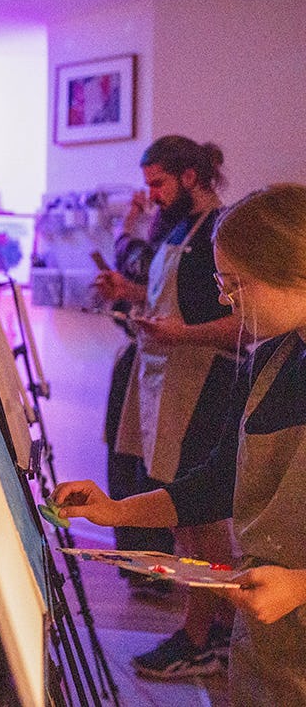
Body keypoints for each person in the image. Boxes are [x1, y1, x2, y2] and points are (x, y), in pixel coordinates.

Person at [54, 183, 306, 705]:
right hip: (269, 638)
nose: (224, 299)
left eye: (235, 284)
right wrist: (117, 511)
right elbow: (218, 483)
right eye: (221, 282)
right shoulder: (270, 361)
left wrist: (301, 586)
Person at [91, 135, 242, 678]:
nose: (151, 195)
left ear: (190, 177)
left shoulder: (222, 232)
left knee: (198, 512)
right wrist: (130, 294)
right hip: (165, 380)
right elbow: (176, 301)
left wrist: (182, 333)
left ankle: (201, 635)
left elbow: (245, 326)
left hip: (203, 384)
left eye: (158, 183)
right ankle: (214, 627)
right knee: (185, 518)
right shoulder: (177, 229)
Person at [102, 192, 178, 594]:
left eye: (159, 184)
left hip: (164, 367)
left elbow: (136, 263)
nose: (153, 197)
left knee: (147, 469)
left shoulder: (185, 236)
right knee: (122, 462)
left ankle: (153, 569)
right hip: (138, 358)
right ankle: (136, 566)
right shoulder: (166, 230)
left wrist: (129, 221)